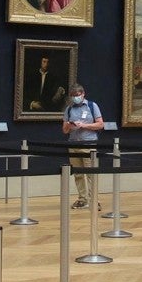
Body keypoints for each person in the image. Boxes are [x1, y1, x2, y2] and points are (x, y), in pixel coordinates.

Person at [62, 82, 104, 210]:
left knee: (91, 174)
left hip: (88, 144)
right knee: (78, 174)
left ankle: (94, 200)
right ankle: (82, 199)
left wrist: (84, 125)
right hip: (73, 144)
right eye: (73, 95)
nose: (75, 97)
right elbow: (64, 130)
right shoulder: (69, 109)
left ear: (83, 94)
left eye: (77, 95)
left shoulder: (92, 106)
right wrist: (69, 125)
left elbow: (100, 124)